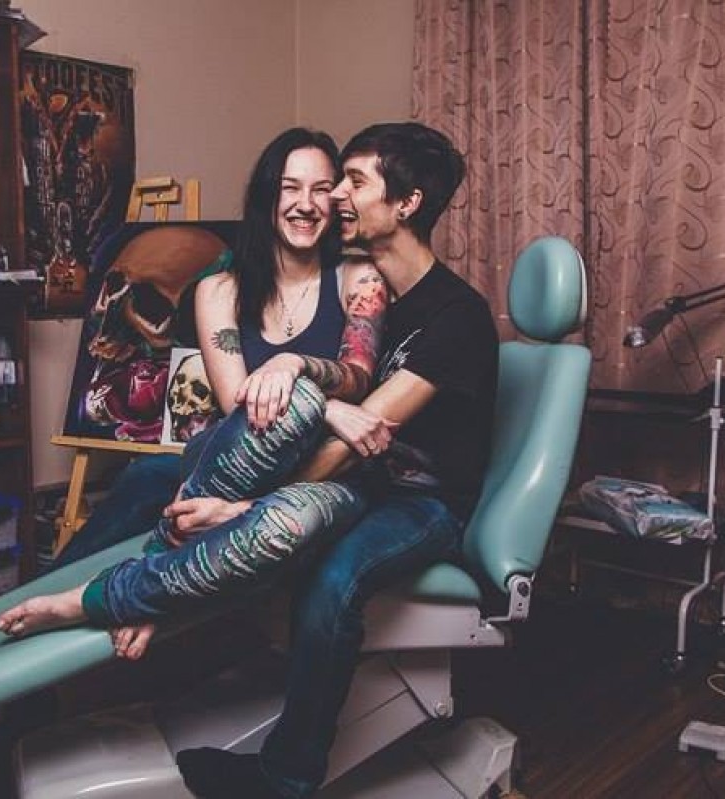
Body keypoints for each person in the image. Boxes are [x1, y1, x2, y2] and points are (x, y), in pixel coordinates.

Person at [175, 122, 498, 798]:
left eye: (353, 182)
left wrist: (249, 507)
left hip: (423, 503)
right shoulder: (376, 294)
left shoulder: (456, 317)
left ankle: (287, 778)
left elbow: (361, 435)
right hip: (365, 484)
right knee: (163, 474)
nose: (335, 198)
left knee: (334, 578)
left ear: (406, 203)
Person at [0, 127, 390, 653]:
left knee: (188, 502)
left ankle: (138, 597)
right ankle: (33, 610)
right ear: (266, 197)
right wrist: (331, 408)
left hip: (317, 469)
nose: (305, 204)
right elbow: (238, 403)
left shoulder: (358, 278)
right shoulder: (218, 289)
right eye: (290, 188)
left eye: (321, 189)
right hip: (235, 454)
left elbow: (359, 374)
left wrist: (296, 372)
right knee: (146, 478)